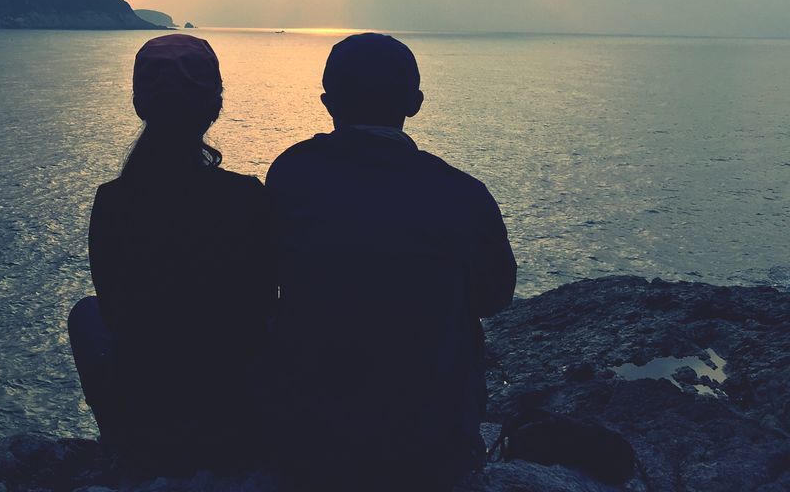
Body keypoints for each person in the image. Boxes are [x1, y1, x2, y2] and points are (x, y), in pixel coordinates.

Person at [263, 33, 516, 491]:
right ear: (415, 103)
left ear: (328, 103)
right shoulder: (462, 193)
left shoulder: (292, 172)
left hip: (311, 439)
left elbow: (265, 279)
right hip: (431, 447)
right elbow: (495, 296)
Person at [69, 34, 276, 473]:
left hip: (148, 403)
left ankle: (123, 443)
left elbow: (111, 308)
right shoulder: (247, 196)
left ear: (140, 105)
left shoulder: (114, 200)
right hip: (233, 406)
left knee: (84, 315)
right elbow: (264, 303)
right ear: (214, 107)